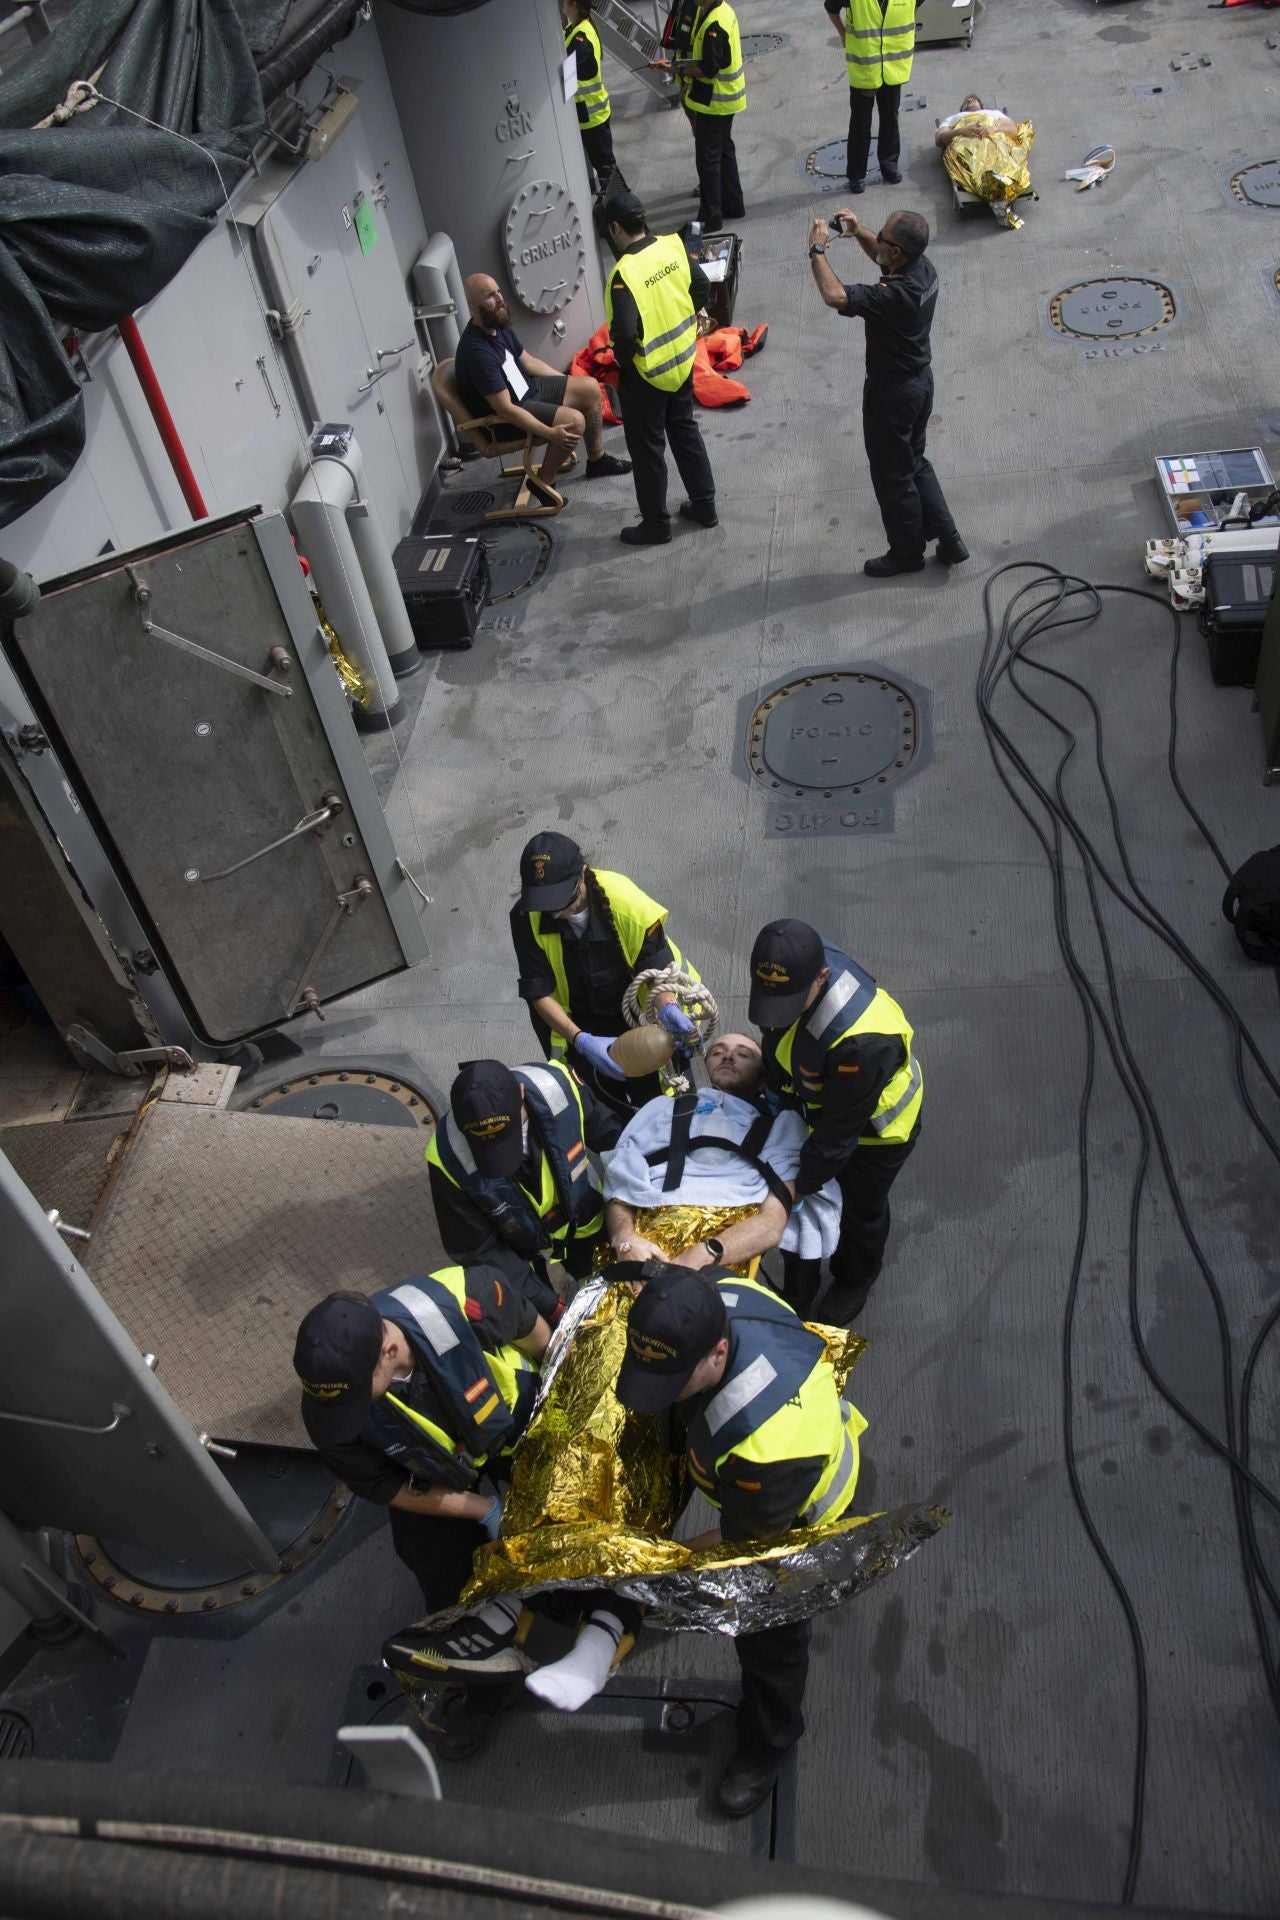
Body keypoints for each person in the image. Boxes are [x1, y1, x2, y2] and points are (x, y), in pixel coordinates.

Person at [614, 1264, 867, 1815]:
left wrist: (661, 1566)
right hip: (760, 1471)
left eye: (671, 1382)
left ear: (718, 1355)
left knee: (769, 1634)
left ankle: (767, 1744)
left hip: (793, 1521)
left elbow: (741, 1544)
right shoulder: (715, 1293)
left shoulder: (765, 1446)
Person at [748, 918, 922, 1323]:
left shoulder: (861, 1042)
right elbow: (777, 1039)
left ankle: (856, 1275)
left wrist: (784, 1193)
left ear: (821, 976)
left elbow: (834, 1142)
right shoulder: (790, 961)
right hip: (822, 1103)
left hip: (876, 1133)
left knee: (861, 1209)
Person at [603, 1032, 841, 1307]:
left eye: (744, 1054)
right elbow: (619, 1179)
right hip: (651, 1219)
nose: (729, 1056)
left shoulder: (780, 1126)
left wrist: (709, 1251)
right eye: (718, 1052)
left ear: (764, 1077)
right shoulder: (661, 1109)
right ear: (707, 1066)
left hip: (728, 1227)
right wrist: (625, 1238)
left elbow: (772, 1223)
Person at [808, 206, 967, 576]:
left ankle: (906, 553)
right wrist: (859, 230)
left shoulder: (896, 295)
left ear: (897, 251)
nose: (876, 238)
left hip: (891, 393)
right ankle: (949, 535)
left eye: (882, 237)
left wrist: (818, 250)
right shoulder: (922, 269)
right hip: (919, 384)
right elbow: (883, 261)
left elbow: (836, 296)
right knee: (914, 461)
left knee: (892, 476)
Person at [510, 829, 700, 1110]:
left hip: (638, 1023)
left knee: (662, 1105)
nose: (551, 912)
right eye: (542, 901)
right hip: (581, 1028)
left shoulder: (627, 904)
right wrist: (581, 1040)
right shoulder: (526, 916)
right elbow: (539, 992)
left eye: (557, 900)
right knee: (602, 1114)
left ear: (582, 875)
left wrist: (667, 1008)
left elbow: (656, 971)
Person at [426, 1057, 624, 1322]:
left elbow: (615, 1139)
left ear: (520, 1093)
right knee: (537, 1307)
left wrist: (626, 1219)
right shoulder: (447, 1156)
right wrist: (548, 1304)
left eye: (509, 1134)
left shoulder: (558, 1087)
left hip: (584, 1216)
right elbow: (478, 1249)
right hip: (521, 1248)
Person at [454, 273, 631, 506]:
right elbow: (505, 409)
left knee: (589, 388)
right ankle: (544, 484)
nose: (499, 299)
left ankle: (597, 460)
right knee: (574, 421)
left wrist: (568, 384)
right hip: (505, 419)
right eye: (490, 296)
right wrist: (550, 434)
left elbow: (529, 362)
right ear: (473, 306)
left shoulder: (497, 324)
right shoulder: (477, 352)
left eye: (498, 291)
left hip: (527, 391)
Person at [602, 191, 718, 546]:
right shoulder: (673, 245)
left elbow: (622, 331)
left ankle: (655, 523)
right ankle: (705, 506)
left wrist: (623, 358)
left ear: (616, 227)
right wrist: (682, 318)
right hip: (682, 360)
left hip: (646, 372)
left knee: (648, 447)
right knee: (684, 429)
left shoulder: (624, 273)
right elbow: (700, 286)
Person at [650, 0, 746, 233]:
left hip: (715, 101)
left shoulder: (714, 23)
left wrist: (674, 69)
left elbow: (707, 69)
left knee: (708, 159)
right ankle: (734, 205)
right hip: (726, 98)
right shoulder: (721, 11)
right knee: (724, 150)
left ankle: (710, 217)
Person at [823, 0, 917, 194]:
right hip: (865, 66)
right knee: (860, 122)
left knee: (890, 116)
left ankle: (889, 165)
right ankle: (856, 175)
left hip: (893, 64)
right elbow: (831, 6)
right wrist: (842, 33)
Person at [561, 0, 615, 194]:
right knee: (604, 166)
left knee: (606, 169)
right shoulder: (572, 29)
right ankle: (616, 207)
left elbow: (564, 74)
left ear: (573, 4)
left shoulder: (581, 38)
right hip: (588, 114)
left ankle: (621, 209)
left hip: (592, 115)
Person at [934, 95, 1017, 151]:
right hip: (965, 151)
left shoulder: (993, 113)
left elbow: (1013, 130)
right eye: (966, 101)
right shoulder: (953, 118)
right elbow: (939, 139)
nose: (970, 100)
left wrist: (993, 129)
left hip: (994, 147)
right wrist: (961, 131)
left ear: (981, 105)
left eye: (974, 100)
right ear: (961, 109)